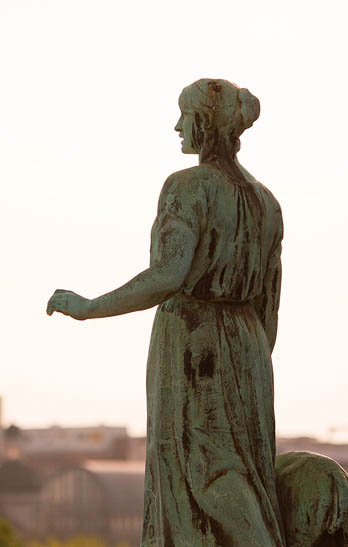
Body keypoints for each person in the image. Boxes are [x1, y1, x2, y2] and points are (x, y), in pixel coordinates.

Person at [47, 78, 284, 546]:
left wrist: (90, 307)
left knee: (202, 466)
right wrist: (253, 358)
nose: (177, 127)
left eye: (184, 116)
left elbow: (168, 275)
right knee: (242, 467)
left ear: (205, 123)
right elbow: (270, 303)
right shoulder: (266, 203)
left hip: (194, 339)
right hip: (249, 346)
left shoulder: (187, 187)